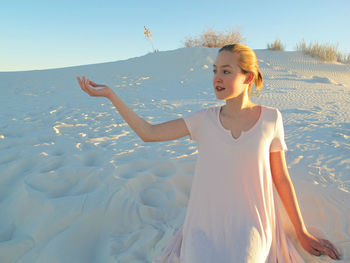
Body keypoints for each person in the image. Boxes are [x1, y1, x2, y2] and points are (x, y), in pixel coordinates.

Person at [76, 43, 341, 262]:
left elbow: (281, 178)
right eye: (215, 70)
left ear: (248, 77)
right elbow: (148, 132)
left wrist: (302, 231)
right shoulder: (204, 120)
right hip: (204, 225)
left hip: (250, 224)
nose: (217, 78)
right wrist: (111, 96)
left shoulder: (271, 118)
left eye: (226, 71)